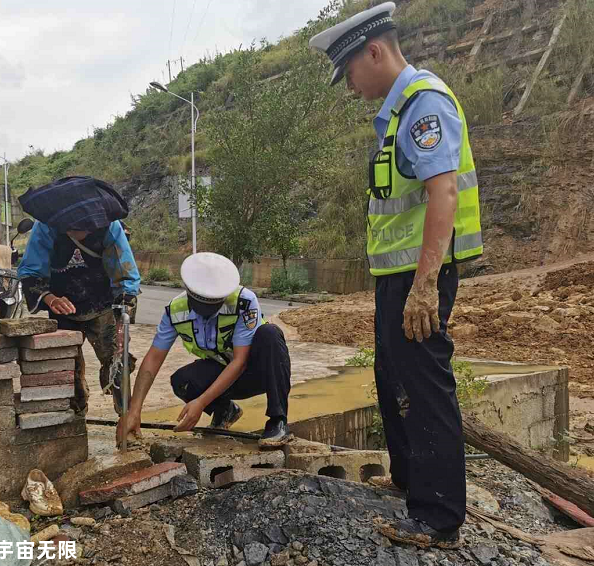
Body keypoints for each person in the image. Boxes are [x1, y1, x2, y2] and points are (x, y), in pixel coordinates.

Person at [310, 2, 483, 548]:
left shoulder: (424, 103)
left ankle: (438, 518)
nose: (350, 87)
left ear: (375, 52)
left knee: (424, 386)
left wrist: (426, 283)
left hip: (420, 277)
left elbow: (443, 192)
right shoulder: (399, 112)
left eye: (350, 73)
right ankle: (411, 481)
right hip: (399, 277)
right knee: (394, 378)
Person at [117, 252, 293, 448]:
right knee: (182, 381)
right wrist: (134, 410)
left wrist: (200, 402)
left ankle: (278, 422)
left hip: (257, 373)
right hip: (224, 372)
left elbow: (240, 361)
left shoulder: (244, 301)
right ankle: (225, 410)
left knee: (270, 333)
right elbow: (153, 358)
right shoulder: (174, 310)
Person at [18, 218, 140, 415]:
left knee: (117, 365)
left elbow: (125, 271)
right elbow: (31, 270)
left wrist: (124, 305)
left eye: (82, 228)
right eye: (71, 228)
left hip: (103, 304)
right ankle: (76, 418)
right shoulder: (46, 225)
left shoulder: (109, 224)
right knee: (68, 371)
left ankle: (126, 419)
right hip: (62, 306)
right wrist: (49, 298)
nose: (76, 233)